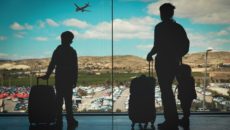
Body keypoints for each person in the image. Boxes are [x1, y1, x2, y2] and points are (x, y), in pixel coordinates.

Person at [147, 3, 189, 130]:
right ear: (172, 13)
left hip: (162, 62)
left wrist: (150, 54)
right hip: (174, 62)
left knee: (166, 92)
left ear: (163, 13)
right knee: (179, 90)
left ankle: (171, 120)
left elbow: (157, 46)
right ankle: (181, 118)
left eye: (161, 13)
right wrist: (177, 55)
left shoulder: (159, 28)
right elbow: (186, 45)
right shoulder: (178, 28)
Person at [40, 31, 78, 128]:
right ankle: (69, 119)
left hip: (60, 78)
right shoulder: (72, 51)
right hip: (68, 78)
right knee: (68, 100)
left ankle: (59, 120)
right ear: (71, 41)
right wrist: (74, 80)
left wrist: (47, 75)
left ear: (62, 39)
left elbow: (52, 64)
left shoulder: (58, 50)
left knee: (59, 100)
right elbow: (75, 68)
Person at [176, 64, 197, 129]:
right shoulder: (191, 79)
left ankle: (185, 121)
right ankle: (185, 120)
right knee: (187, 108)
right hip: (190, 96)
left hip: (184, 96)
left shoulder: (182, 79)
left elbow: (177, 77)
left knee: (184, 107)